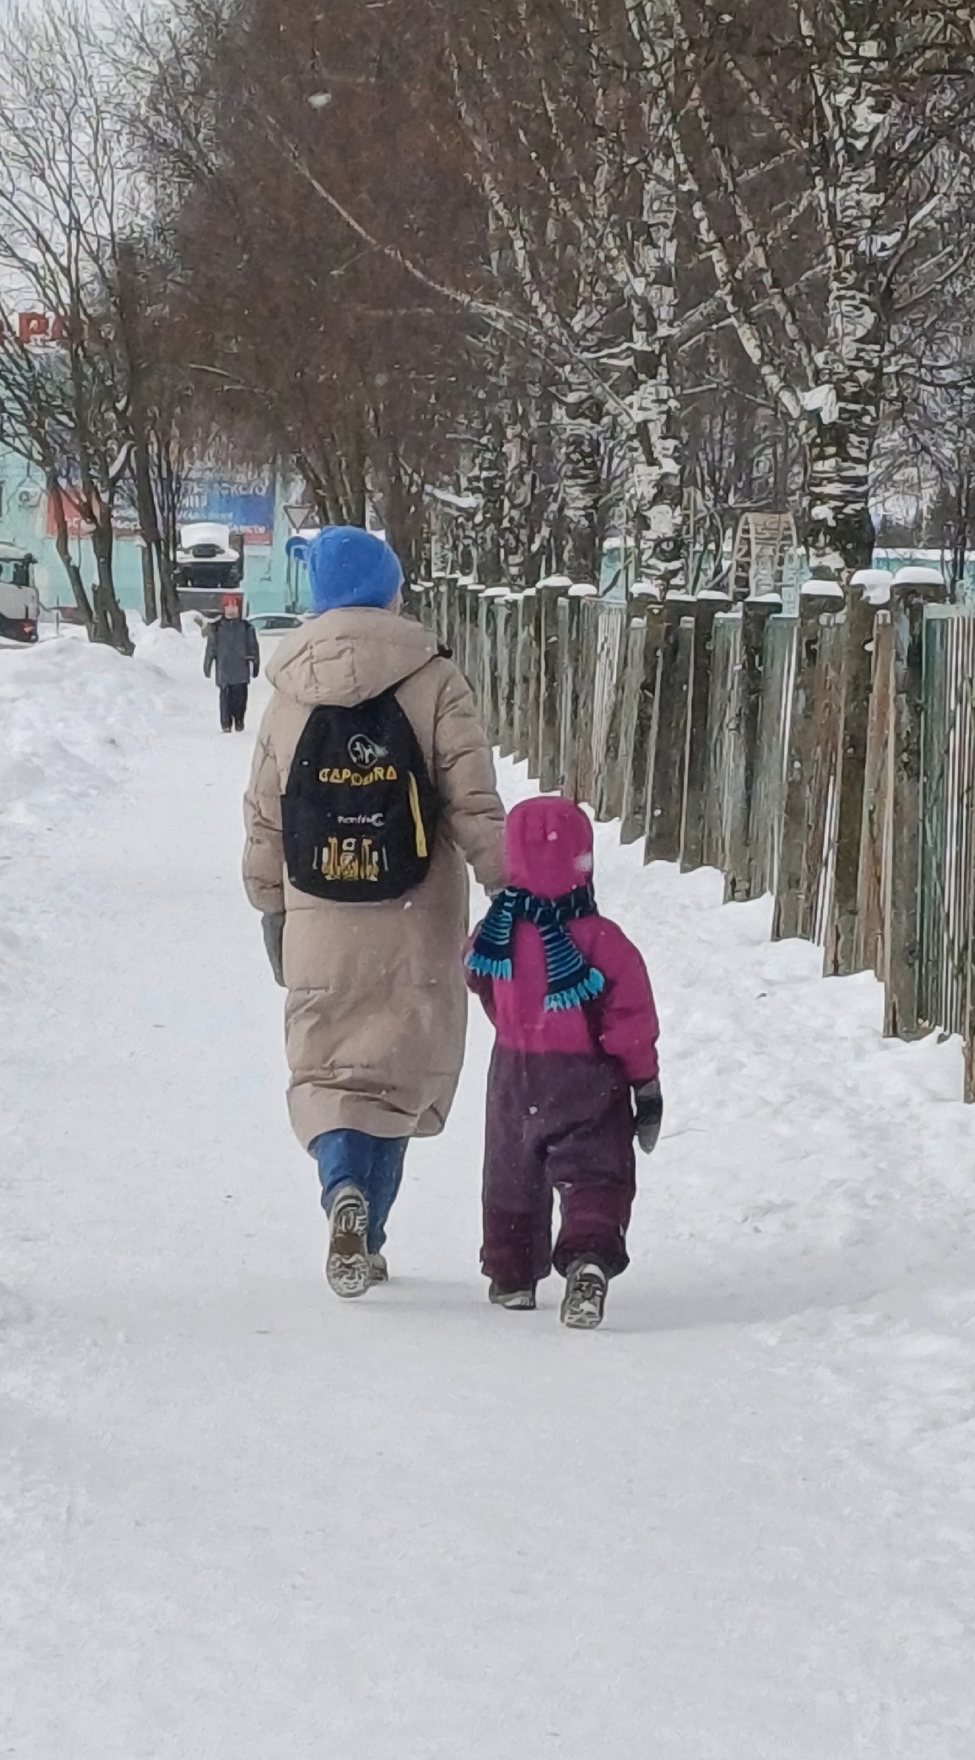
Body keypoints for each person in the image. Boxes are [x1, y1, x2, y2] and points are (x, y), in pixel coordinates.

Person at [243, 526, 505, 1296]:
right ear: (392, 590)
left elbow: (264, 813)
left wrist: (270, 907)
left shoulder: (289, 689)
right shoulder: (433, 678)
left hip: (318, 903)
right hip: (414, 905)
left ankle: (342, 1192)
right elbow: (473, 799)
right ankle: (370, 1221)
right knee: (393, 1073)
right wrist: (513, 885)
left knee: (332, 1070)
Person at [466, 795, 661, 1329]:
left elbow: (477, 976)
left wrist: (512, 1022)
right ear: (585, 859)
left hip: (515, 1072)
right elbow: (631, 1020)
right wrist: (644, 1084)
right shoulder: (604, 942)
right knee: (595, 1175)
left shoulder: (497, 932)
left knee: (512, 1172)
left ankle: (511, 1275)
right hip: (588, 1078)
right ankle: (589, 1258)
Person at [203, 594, 261, 733]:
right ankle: (226, 723)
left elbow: (253, 647)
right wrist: (208, 665)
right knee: (225, 697)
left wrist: (255, 664)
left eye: (234, 605)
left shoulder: (247, 628)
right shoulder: (216, 628)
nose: (231, 609)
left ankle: (239, 720)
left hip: (241, 669)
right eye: (228, 605)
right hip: (224, 669)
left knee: (240, 698)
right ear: (223, 608)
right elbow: (211, 647)